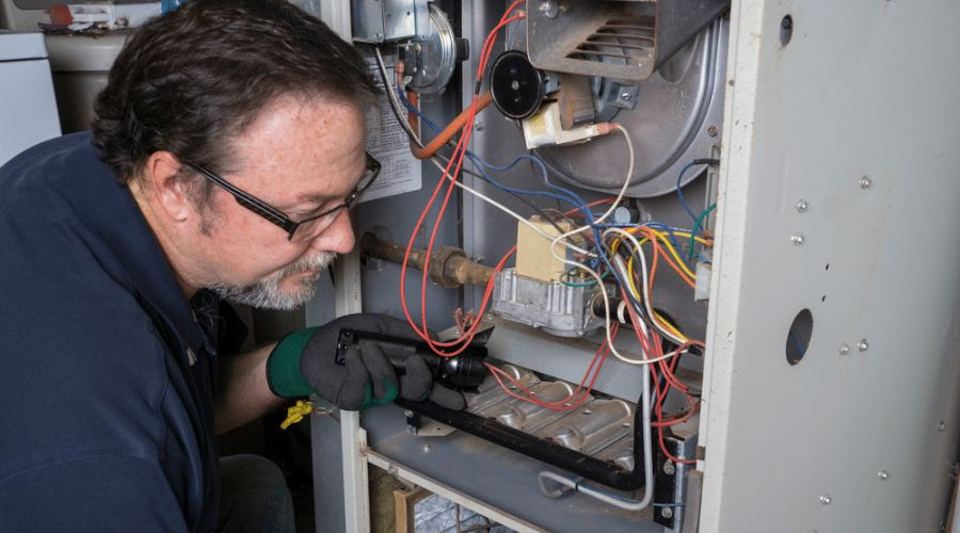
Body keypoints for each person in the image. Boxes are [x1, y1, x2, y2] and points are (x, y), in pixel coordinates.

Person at [0, 1, 461, 531]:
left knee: (255, 486)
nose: (342, 239)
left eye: (349, 195)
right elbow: (141, 420)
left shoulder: (85, 170)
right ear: (175, 186)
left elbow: (181, 402)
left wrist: (293, 361)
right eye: (307, 212)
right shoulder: (105, 455)